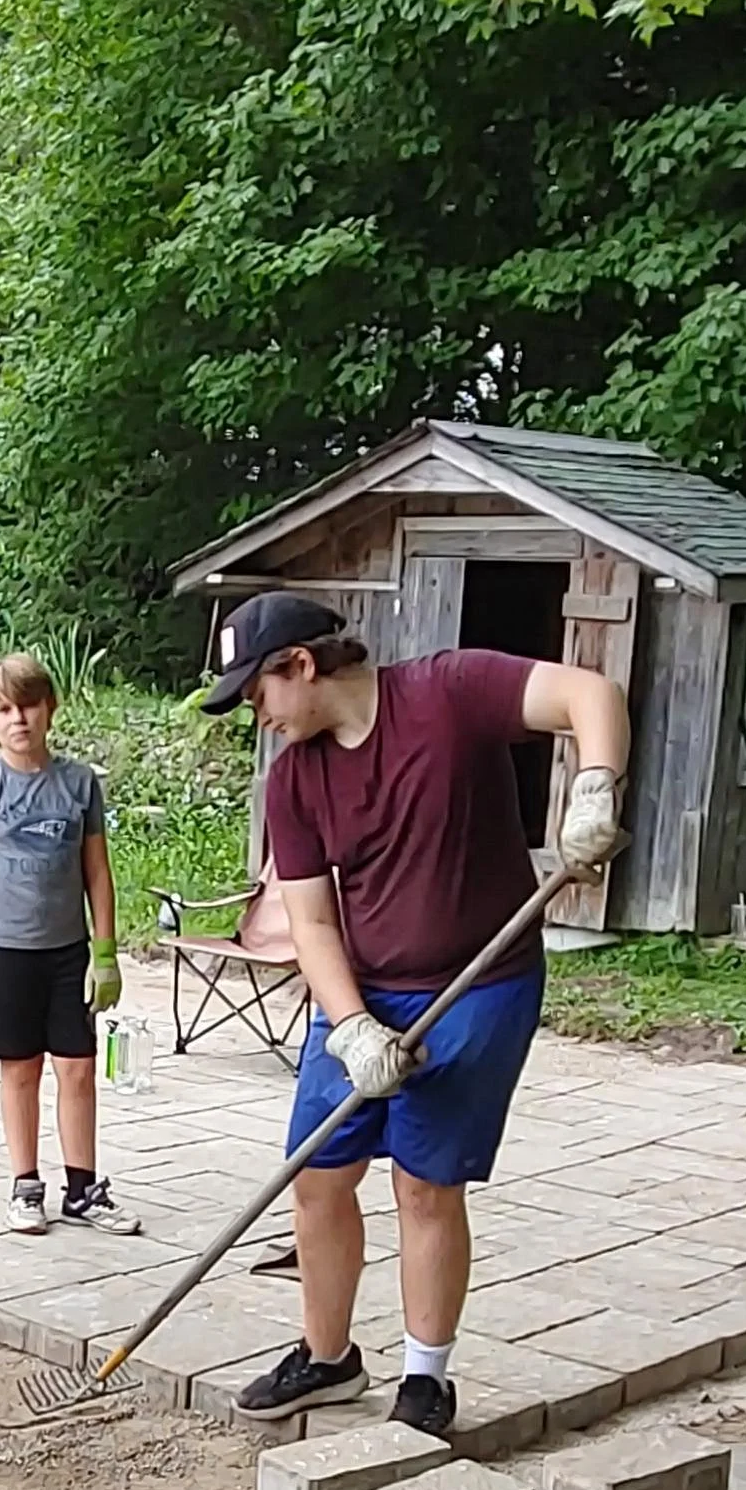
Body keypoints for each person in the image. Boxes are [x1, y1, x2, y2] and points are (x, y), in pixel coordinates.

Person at [199, 590, 632, 1439]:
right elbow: (313, 921)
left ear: (301, 665)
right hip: (357, 989)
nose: (259, 718)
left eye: (259, 696)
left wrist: (594, 787)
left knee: (424, 1185)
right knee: (317, 1178)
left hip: (479, 986)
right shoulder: (296, 777)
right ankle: (327, 1360)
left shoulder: (450, 692)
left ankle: (426, 1378)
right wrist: (352, 1026)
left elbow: (592, 694)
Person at [0, 650, 139, 1237]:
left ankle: (83, 1188)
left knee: (77, 1069)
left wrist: (105, 952)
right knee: (19, 1069)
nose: (18, 719)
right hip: (4, 955)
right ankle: (26, 1185)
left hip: (67, 954)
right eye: (3, 709)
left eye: (28, 705)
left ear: (49, 709)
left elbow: (97, 872)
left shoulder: (78, 784)